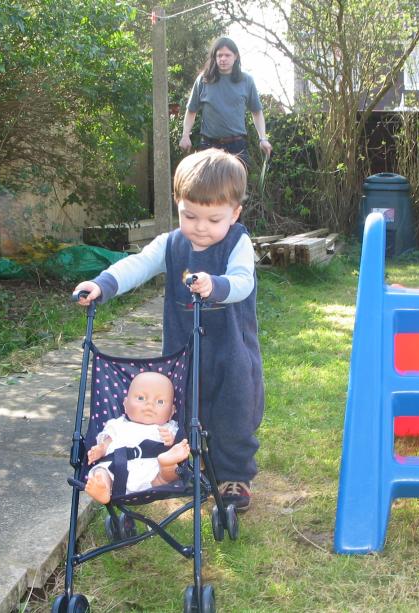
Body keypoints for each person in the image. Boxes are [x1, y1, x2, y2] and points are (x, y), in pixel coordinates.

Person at [74, 148, 264, 512]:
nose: (200, 227)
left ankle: (233, 476)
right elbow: (138, 264)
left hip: (232, 352)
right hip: (184, 351)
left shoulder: (237, 242)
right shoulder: (171, 244)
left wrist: (216, 285)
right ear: (178, 205)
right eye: (189, 215)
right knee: (185, 411)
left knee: (234, 414)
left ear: (235, 213)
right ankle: (191, 464)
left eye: (213, 219)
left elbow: (243, 281)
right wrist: (103, 284)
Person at [85, 371, 190, 504]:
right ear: (125, 405)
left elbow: (177, 443)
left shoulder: (168, 427)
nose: (149, 405)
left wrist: (171, 441)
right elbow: (107, 442)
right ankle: (103, 488)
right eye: (141, 398)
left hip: (153, 471)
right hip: (116, 467)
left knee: (170, 473)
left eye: (160, 401)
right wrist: (100, 449)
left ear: (172, 411)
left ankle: (167, 463)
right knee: (101, 471)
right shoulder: (118, 424)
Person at [179, 37, 272, 167]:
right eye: (219, 55)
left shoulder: (246, 81)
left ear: (236, 56)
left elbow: (257, 112)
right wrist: (185, 136)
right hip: (209, 147)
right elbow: (191, 111)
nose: (223, 59)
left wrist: (263, 139)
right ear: (214, 57)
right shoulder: (203, 80)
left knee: (236, 182)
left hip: (236, 147)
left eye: (227, 55)